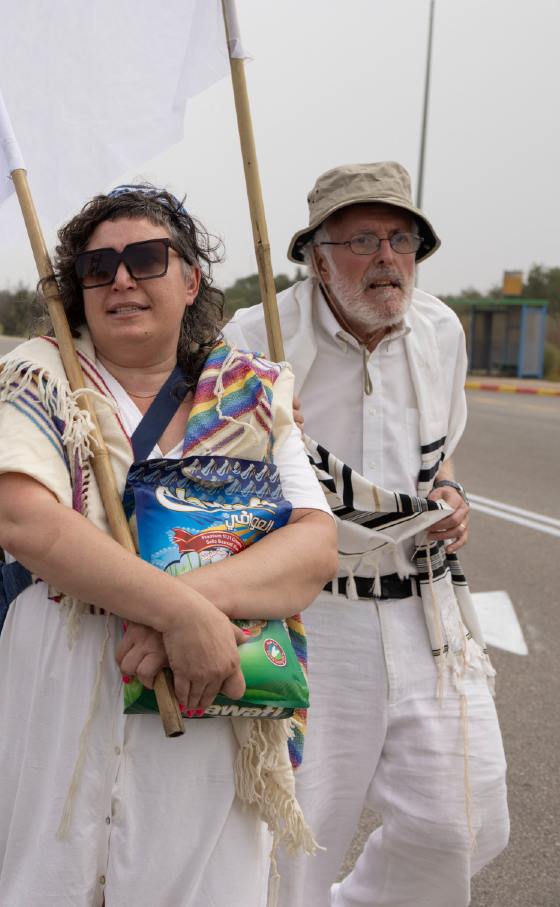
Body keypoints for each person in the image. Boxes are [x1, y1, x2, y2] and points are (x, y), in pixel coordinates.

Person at [0, 186, 337, 905]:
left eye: (147, 258)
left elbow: (313, 547)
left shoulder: (251, 391)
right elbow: (26, 520)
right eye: (97, 267)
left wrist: (191, 613)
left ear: (190, 280)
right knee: (51, 883)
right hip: (67, 666)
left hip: (213, 677)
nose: (121, 279)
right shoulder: (32, 377)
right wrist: (179, 616)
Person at [225, 161, 509, 906]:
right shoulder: (257, 335)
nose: (388, 258)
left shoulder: (439, 330)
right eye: (362, 240)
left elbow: (438, 447)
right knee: (293, 838)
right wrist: (265, 436)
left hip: (424, 611)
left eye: (401, 238)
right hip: (311, 614)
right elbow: (213, 477)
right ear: (316, 257)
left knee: (467, 819)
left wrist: (447, 489)